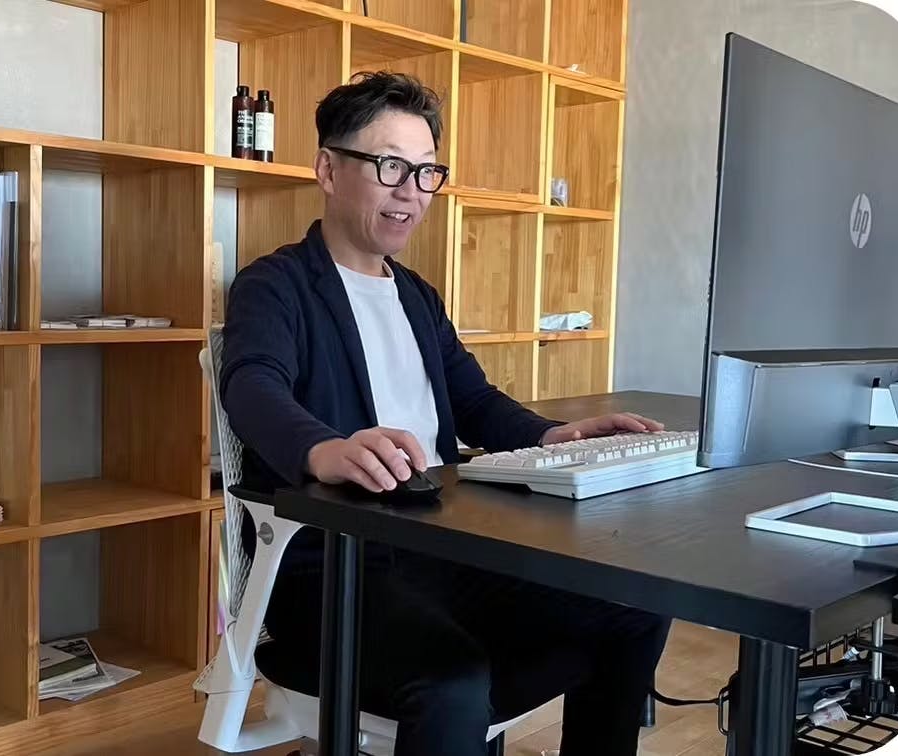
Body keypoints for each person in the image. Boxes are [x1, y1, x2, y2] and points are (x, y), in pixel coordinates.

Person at [219, 71, 671, 756]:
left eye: (425, 172)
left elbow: (474, 401)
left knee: (635, 608)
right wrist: (323, 449)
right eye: (390, 166)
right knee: (452, 682)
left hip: (444, 547)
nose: (410, 191)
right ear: (328, 170)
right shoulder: (274, 285)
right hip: (335, 566)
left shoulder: (418, 297)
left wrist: (555, 435)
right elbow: (252, 385)